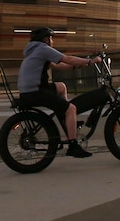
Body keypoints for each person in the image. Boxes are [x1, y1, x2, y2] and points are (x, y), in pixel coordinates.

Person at [17, 26, 102, 158]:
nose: (53, 42)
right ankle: (73, 146)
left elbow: (58, 66)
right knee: (71, 109)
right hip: (36, 91)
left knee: (61, 87)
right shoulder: (43, 49)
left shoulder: (34, 51)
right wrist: (90, 61)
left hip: (29, 90)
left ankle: (66, 119)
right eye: (51, 38)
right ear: (46, 39)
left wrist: (77, 65)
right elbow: (66, 58)